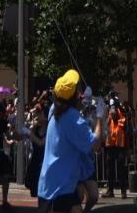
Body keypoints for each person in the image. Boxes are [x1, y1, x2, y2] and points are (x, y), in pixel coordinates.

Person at [38, 70, 103, 213]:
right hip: (61, 187)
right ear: (74, 95)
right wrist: (99, 116)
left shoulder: (54, 110)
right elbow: (96, 144)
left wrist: (81, 104)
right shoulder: (74, 119)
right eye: (77, 88)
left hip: (50, 182)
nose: (79, 89)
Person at [102, 98, 127, 199]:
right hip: (110, 146)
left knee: (121, 169)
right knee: (110, 169)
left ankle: (123, 191)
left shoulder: (122, 115)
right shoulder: (109, 115)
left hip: (120, 146)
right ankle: (110, 190)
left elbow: (123, 125)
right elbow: (106, 126)